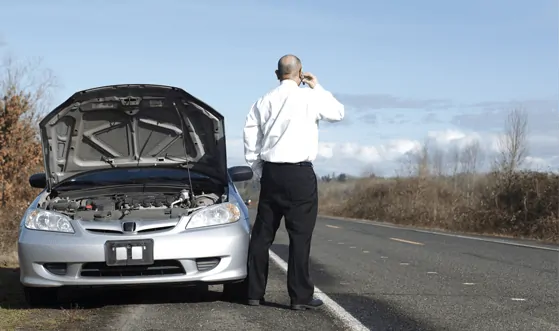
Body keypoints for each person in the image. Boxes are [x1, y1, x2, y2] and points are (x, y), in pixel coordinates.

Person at [243, 54, 345, 310]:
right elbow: (338, 113)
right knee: (300, 237)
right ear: (300, 74)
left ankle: (253, 293)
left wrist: (258, 168)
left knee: (262, 235)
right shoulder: (310, 97)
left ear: (277, 74)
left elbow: (250, 135)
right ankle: (300, 297)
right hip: (300, 174)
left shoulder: (263, 100)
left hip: (272, 173)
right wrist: (316, 86)